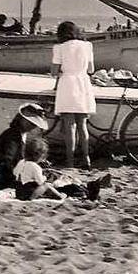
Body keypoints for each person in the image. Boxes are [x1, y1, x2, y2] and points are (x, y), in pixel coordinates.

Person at [51, 21, 96, 168]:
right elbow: (91, 70)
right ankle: (86, 158)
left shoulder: (59, 48)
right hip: (83, 83)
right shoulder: (87, 46)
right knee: (82, 125)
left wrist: (63, 71)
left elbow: (53, 72)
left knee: (70, 126)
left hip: (67, 85)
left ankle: (70, 161)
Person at [11, 138, 110, 201]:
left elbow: (15, 173)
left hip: (19, 191)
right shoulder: (34, 166)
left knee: (53, 183)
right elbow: (41, 182)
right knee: (48, 185)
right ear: (39, 156)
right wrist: (45, 177)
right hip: (29, 194)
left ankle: (88, 186)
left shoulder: (22, 162)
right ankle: (61, 195)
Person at [0, 103, 49, 191]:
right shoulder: (12, 136)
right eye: (30, 123)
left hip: (12, 176)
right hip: (6, 180)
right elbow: (6, 162)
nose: (32, 126)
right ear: (21, 119)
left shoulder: (19, 134)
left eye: (34, 124)